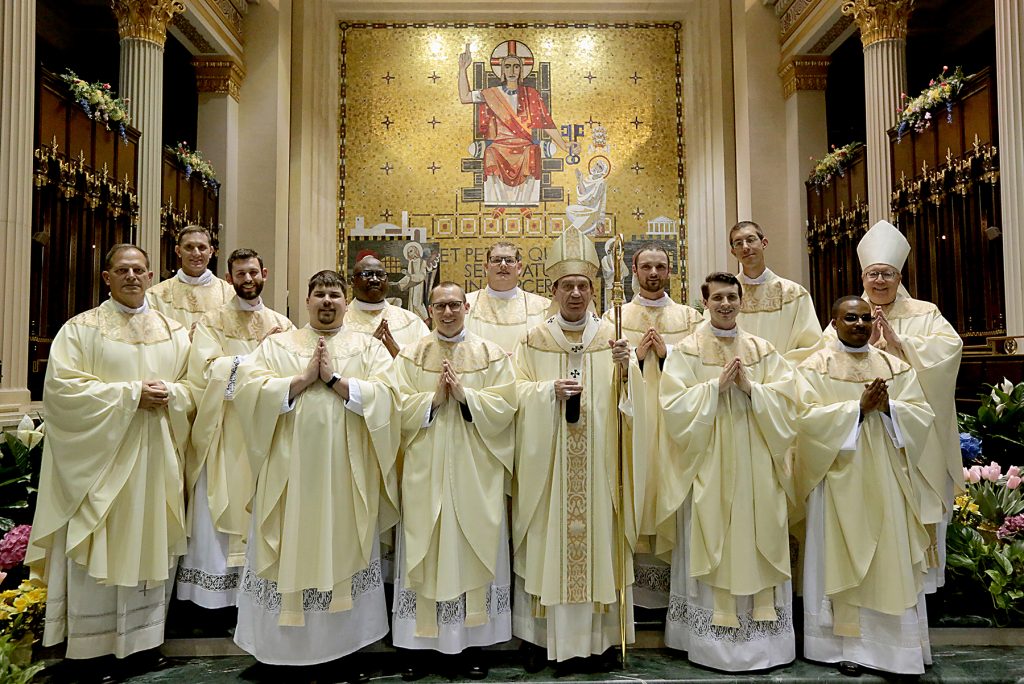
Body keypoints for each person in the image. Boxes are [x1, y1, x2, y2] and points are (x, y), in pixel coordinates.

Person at [27, 244, 192, 680]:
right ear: (106, 277)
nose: (132, 277)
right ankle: (91, 649)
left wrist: (171, 395)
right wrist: (130, 394)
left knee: (150, 543)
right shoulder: (80, 330)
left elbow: (193, 389)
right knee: (99, 546)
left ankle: (143, 644)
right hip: (101, 464)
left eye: (139, 270)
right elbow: (62, 393)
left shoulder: (174, 332)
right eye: (123, 270)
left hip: (155, 459)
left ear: (152, 275)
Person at [231, 271, 399, 679]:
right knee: (288, 546)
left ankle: (344, 648)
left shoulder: (367, 347)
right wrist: (303, 379)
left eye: (335, 294)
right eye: (319, 294)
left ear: (346, 302)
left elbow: (391, 396)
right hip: (288, 475)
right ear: (307, 301)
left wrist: (336, 382)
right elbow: (247, 391)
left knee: (342, 548)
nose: (327, 301)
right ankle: (280, 651)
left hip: (346, 472)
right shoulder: (277, 345)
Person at [655, 272, 797, 671]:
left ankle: (765, 642)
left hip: (757, 462)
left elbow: (789, 402)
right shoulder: (687, 350)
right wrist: (714, 387)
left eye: (732, 297)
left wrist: (754, 389)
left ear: (742, 302)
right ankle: (707, 642)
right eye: (718, 298)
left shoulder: (762, 350)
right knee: (711, 535)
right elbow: (672, 406)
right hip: (709, 463)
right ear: (706, 302)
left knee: (759, 533)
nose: (726, 304)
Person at [511, 225, 636, 668]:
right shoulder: (533, 340)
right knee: (546, 543)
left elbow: (630, 406)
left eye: (584, 285)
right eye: (568, 286)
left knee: (598, 543)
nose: (577, 294)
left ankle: (598, 642)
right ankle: (542, 641)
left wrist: (629, 369)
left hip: (597, 467)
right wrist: (548, 392)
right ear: (554, 289)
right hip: (549, 468)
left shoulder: (610, 339)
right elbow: (514, 393)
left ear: (593, 289)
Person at [383, 282, 517, 679]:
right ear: (429, 310)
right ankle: (417, 646)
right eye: (439, 306)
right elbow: (392, 407)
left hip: (476, 469)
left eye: (454, 305)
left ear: (466, 308)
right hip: (425, 469)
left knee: (473, 547)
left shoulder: (491, 355)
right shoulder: (411, 355)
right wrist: (433, 400)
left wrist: (465, 396)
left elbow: (507, 404)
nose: (447, 312)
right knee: (424, 548)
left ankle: (473, 644)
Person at [796, 296, 935, 676]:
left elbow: (922, 414)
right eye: (849, 318)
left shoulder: (894, 366)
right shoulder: (814, 366)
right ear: (834, 322)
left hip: (887, 476)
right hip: (836, 477)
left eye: (863, 318)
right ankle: (844, 647)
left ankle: (893, 650)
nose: (858, 324)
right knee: (838, 557)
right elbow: (804, 421)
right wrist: (857, 409)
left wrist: (889, 408)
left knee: (889, 554)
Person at [177, 248, 294, 613]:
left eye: (253, 273)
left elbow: (293, 373)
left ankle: (258, 592)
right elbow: (206, 372)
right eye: (240, 274)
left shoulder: (283, 324)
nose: (247, 279)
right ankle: (217, 601)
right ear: (229, 279)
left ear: (265, 274)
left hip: (266, 429)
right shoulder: (213, 322)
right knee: (217, 510)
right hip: (225, 431)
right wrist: (260, 353)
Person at [856, 220, 963, 592]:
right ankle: (881, 580)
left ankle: (924, 587)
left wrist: (904, 346)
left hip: (916, 431)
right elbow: (824, 361)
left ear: (899, 277)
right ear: (863, 277)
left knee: (920, 501)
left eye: (886, 274)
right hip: (870, 432)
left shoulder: (925, 312)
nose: (879, 281)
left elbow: (951, 351)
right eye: (873, 274)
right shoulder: (852, 314)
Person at [600, 244, 701, 609]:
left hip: (677, 423)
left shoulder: (691, 319)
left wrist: (668, 354)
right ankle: (636, 599)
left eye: (661, 266)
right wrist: (638, 358)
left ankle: (674, 597)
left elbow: (700, 366)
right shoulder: (615, 318)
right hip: (633, 422)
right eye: (646, 267)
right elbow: (602, 373)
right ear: (633, 270)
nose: (654, 273)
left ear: (671, 270)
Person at [458, 41, 579, 209]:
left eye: (516, 66)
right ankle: (498, 203)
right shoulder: (492, 94)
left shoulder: (531, 94)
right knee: (490, 153)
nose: (512, 70)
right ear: (502, 70)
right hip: (500, 145)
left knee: (532, 152)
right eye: (508, 66)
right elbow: (464, 97)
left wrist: (564, 145)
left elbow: (546, 123)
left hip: (524, 145)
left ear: (521, 71)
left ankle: (525, 204)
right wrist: (463, 69)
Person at [727, 221, 822, 363]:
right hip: (735, 378)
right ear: (733, 252)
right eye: (738, 243)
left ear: (764, 243)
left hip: (781, 379)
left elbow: (810, 346)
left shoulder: (793, 294)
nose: (745, 247)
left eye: (751, 240)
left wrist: (776, 371)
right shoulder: (724, 296)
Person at [464, 241, 551, 354]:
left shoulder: (543, 308)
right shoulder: (465, 305)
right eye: (496, 260)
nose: (503, 265)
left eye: (509, 260)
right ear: (486, 267)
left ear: (519, 267)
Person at [146, 225, 234, 332]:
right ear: (178, 251)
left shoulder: (229, 294)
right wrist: (185, 338)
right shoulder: (155, 295)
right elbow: (153, 335)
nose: (196, 253)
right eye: (189, 247)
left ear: (211, 252)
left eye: (202, 247)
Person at [344, 254, 430, 359]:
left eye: (380, 275)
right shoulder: (340, 321)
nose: (374, 280)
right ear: (353, 281)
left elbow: (428, 360)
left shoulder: (411, 322)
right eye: (367, 274)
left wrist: (399, 353)